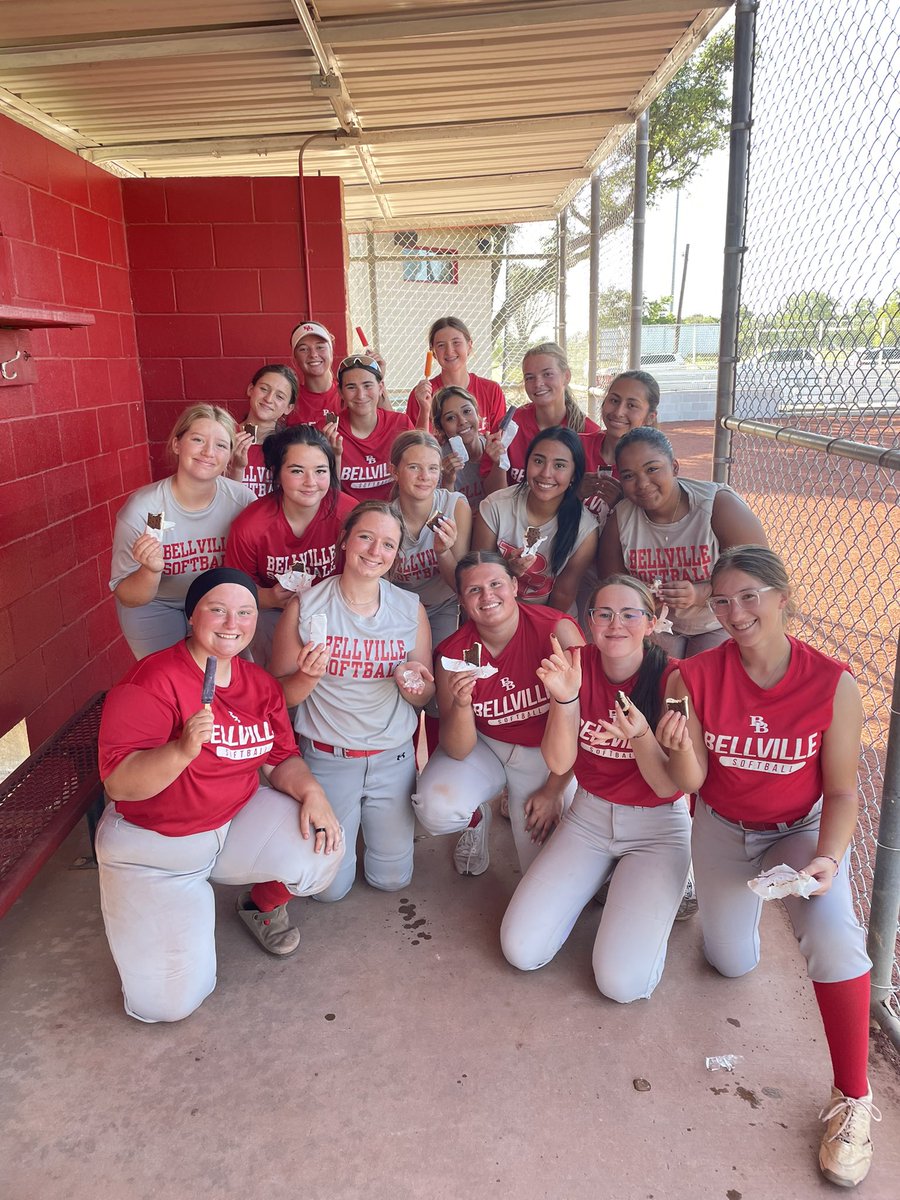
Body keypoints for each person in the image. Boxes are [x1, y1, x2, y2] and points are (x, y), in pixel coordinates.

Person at [656, 546, 879, 1188]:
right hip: (723, 828)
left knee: (834, 936)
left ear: (783, 597)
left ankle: (853, 1099)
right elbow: (690, 781)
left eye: (749, 595)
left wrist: (829, 859)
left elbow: (841, 792)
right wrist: (678, 748)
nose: (734, 612)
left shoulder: (831, 681)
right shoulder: (689, 677)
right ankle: (735, 905)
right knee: (729, 962)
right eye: (721, 600)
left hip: (798, 831)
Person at [95, 567, 345, 1023]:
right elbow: (121, 783)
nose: (233, 623)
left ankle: (249, 905)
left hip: (231, 822)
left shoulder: (259, 684)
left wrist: (313, 792)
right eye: (218, 610)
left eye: (245, 612)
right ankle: (165, 910)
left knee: (322, 843)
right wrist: (182, 749)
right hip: (156, 848)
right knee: (167, 1006)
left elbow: (280, 759)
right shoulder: (152, 680)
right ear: (192, 617)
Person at [500, 576, 690, 1002]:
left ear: (651, 621)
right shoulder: (574, 664)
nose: (615, 624)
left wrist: (640, 735)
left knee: (621, 984)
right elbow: (559, 762)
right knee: (520, 949)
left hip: (657, 827)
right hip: (589, 815)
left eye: (629, 614)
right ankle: (607, 878)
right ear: (589, 622)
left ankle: (667, 885)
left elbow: (668, 785)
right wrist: (566, 700)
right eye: (604, 613)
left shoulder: (675, 679)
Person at [267, 501, 434, 906]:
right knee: (328, 891)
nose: (375, 551)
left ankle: (370, 828)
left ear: (396, 555)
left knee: (391, 879)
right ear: (344, 540)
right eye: (366, 537)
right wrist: (306, 677)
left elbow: (425, 694)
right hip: (327, 757)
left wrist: (411, 684)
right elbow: (276, 696)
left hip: (391, 757)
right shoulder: (306, 606)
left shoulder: (410, 609)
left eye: (388, 545)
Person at [412, 552, 584, 876]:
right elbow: (458, 748)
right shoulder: (453, 653)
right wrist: (462, 705)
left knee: (550, 867)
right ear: (461, 601)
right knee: (437, 807)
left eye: (495, 584)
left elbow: (587, 721)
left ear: (515, 586)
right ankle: (477, 817)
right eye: (474, 590)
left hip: (548, 755)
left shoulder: (556, 631)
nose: (487, 595)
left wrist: (554, 790)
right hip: (487, 746)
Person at [598, 427, 769, 657]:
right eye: (629, 475)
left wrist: (700, 593)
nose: (642, 483)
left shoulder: (716, 505)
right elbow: (613, 586)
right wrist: (641, 599)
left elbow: (760, 573)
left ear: (675, 467)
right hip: (658, 624)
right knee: (657, 674)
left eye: (652, 469)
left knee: (705, 675)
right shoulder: (621, 519)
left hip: (718, 621)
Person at [109, 404, 255, 660]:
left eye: (221, 445)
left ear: (230, 454)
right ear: (177, 444)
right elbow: (129, 596)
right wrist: (150, 570)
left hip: (219, 603)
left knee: (235, 680)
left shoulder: (242, 501)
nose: (209, 452)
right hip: (157, 604)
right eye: (197, 439)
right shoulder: (143, 508)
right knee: (171, 681)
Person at [224, 425, 356, 667]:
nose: (310, 482)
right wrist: (269, 597)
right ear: (276, 473)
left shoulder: (349, 514)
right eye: (297, 471)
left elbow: (371, 578)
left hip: (337, 610)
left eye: (320, 471)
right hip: (274, 614)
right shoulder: (251, 525)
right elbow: (235, 591)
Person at [474, 427, 598, 614]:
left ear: (574, 474)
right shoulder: (495, 507)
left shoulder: (585, 530)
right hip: (494, 610)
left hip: (549, 616)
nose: (546, 473)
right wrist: (507, 571)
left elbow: (563, 594)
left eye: (559, 465)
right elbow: (477, 576)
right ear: (526, 463)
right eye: (538, 461)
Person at [506, 342, 599, 483]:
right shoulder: (512, 424)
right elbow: (493, 491)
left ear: (566, 376)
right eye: (530, 377)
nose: (538, 383)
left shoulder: (588, 433)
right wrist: (497, 462)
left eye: (547, 374)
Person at [579, 369, 660, 521]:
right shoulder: (576, 447)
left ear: (650, 417)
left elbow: (658, 525)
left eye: (631, 405)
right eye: (614, 401)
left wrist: (624, 505)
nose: (618, 412)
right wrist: (574, 493)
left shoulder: (654, 467)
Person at [332, 354, 413, 502]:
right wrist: (334, 456)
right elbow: (329, 496)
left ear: (380, 387)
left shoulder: (400, 424)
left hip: (395, 514)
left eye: (367, 385)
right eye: (351, 387)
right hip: (350, 518)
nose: (361, 395)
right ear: (340, 392)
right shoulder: (331, 430)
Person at [406, 316, 506, 434]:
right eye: (441, 345)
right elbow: (415, 446)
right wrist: (424, 409)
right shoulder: (422, 395)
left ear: (469, 346)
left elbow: (498, 441)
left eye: (456, 343)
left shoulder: (491, 391)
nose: (449, 351)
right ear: (433, 353)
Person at [286, 321, 390, 427]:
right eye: (303, 349)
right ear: (295, 357)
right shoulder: (289, 399)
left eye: (320, 347)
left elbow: (390, 425)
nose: (313, 354)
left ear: (331, 349)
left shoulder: (351, 391)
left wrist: (377, 377)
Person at [430, 384, 508, 511]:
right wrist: (448, 480)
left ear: (477, 414)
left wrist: (498, 463)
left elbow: (502, 504)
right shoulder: (439, 460)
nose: (462, 421)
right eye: (451, 418)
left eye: (467, 411)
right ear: (441, 428)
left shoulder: (496, 447)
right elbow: (441, 514)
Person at [226, 364, 298, 498]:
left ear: (289, 408)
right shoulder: (224, 436)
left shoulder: (291, 447)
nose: (269, 399)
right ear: (250, 389)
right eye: (264, 389)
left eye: (280, 396)